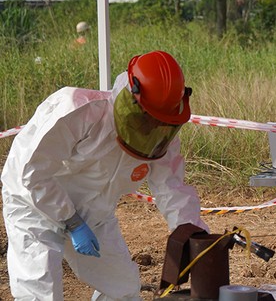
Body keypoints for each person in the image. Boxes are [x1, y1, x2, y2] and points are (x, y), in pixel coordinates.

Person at [1, 50, 209, 300]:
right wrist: (72, 221)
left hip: (94, 215)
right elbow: (33, 172)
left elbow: (172, 189)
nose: (152, 128)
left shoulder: (160, 136)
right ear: (131, 100)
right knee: (40, 293)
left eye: (160, 121)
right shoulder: (77, 110)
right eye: (147, 119)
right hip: (34, 206)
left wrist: (193, 234)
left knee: (123, 289)